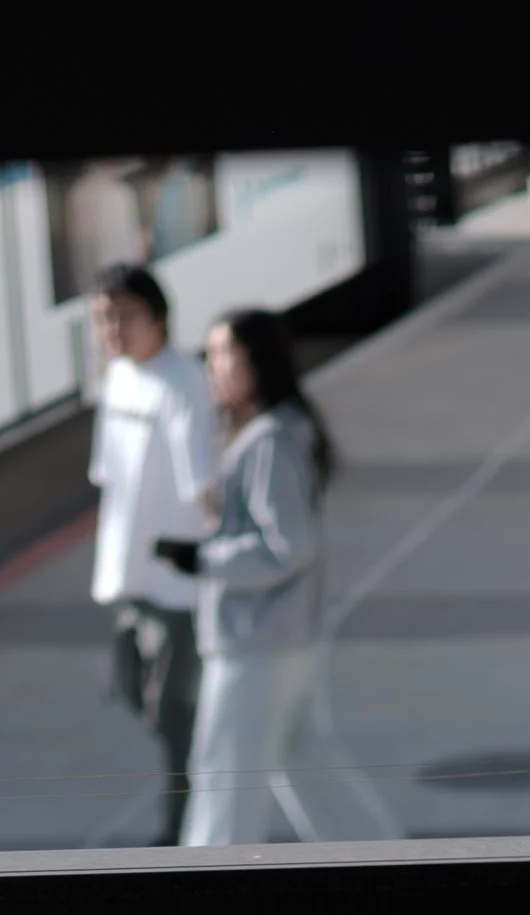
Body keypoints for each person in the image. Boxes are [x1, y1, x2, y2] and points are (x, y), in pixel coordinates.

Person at [184, 306, 333, 847]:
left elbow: (288, 547)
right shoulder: (274, 435)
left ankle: (204, 891)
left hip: (256, 642)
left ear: (259, 362)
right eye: (210, 355)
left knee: (225, 777)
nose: (213, 367)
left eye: (225, 353)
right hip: (281, 636)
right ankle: (387, 862)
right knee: (314, 776)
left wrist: (202, 559)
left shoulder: (268, 442)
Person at [88, 263, 217, 847]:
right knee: (139, 696)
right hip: (127, 579)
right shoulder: (117, 378)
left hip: (176, 584)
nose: (111, 329)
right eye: (101, 318)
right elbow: (110, 479)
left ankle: (184, 829)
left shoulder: (185, 380)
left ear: (158, 317)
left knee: (173, 713)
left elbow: (204, 485)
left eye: (123, 316)